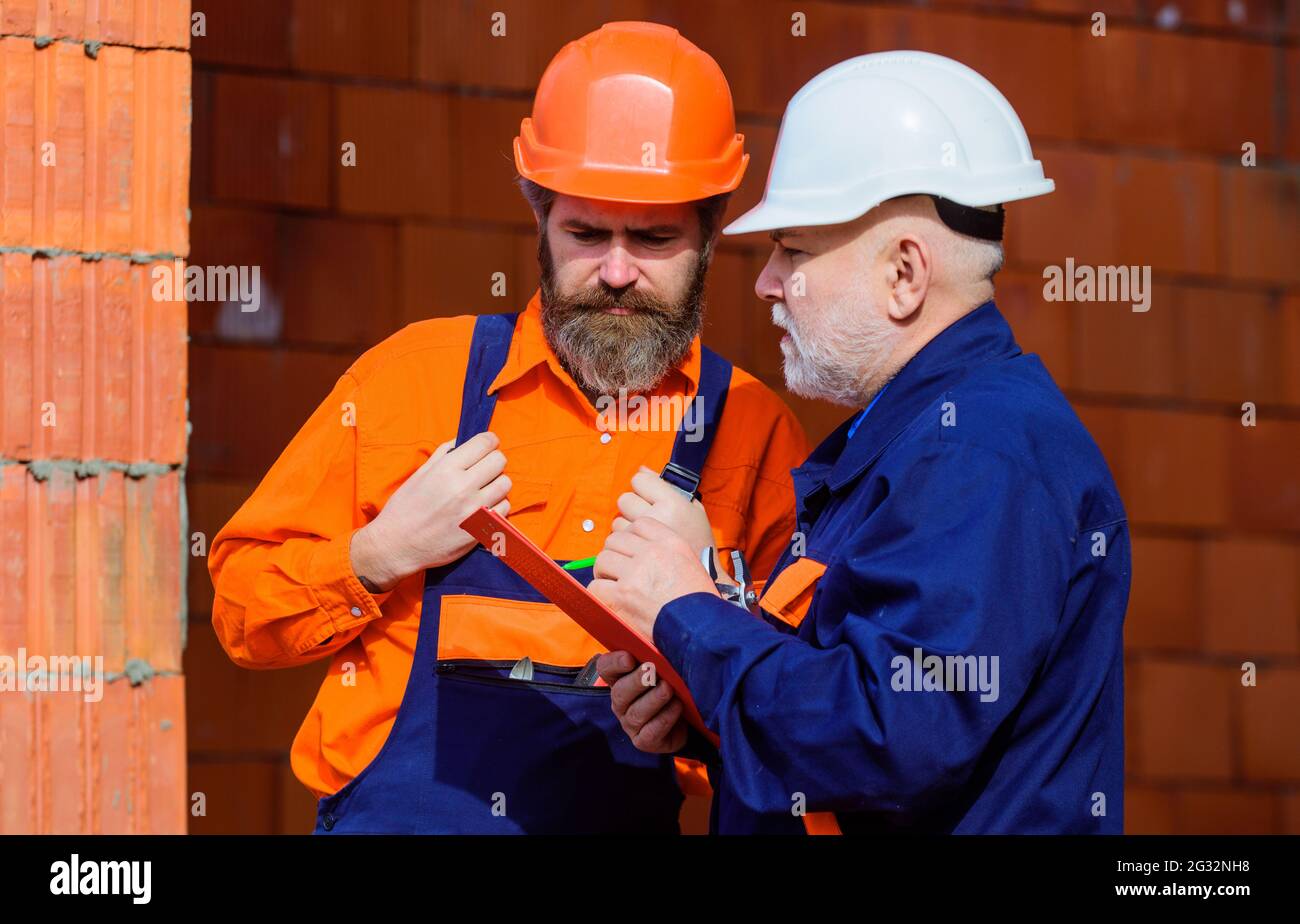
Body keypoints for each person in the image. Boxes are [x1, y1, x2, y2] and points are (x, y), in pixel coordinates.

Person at [208, 21, 808, 834]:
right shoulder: (416, 379)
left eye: (655, 238)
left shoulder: (752, 431)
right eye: (586, 235)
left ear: (708, 236)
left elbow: (800, 721)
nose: (618, 270)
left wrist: (691, 722)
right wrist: (376, 556)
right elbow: (243, 613)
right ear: (540, 221)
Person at [590, 51, 1130, 834]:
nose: (766, 283)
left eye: (796, 252)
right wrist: (702, 706)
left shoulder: (979, 455)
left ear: (905, 274)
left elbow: (891, 736)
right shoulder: (917, 442)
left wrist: (686, 608)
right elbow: (846, 716)